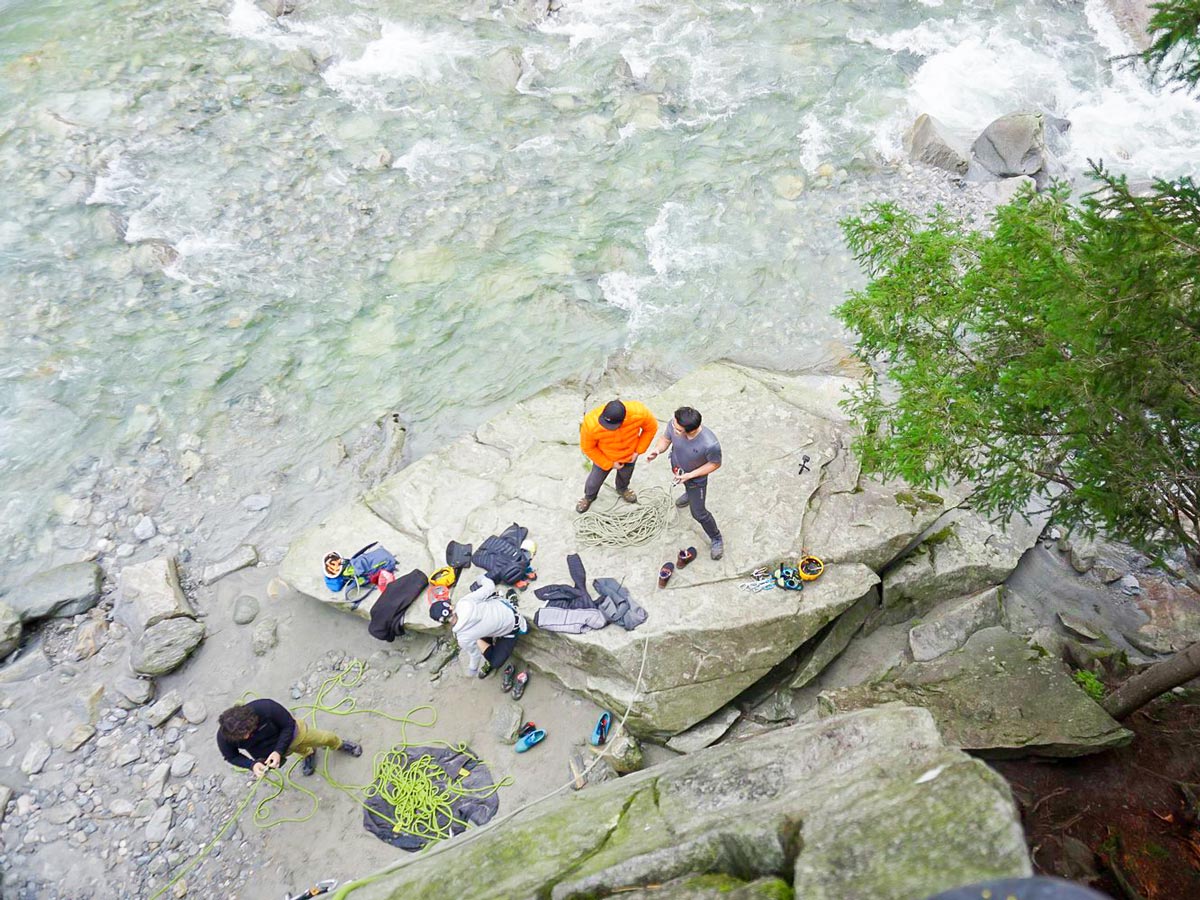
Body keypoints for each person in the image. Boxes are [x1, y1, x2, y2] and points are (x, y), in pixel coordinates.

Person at [646, 406, 724, 559]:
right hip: (680, 469)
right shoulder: (676, 424)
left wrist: (690, 476)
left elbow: (714, 464)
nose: (673, 428)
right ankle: (689, 494)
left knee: (699, 513)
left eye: (678, 429)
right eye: (674, 425)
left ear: (692, 431)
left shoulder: (710, 444)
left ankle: (716, 537)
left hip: (696, 479)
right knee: (688, 488)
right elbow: (665, 439)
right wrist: (657, 450)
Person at [216, 699, 361, 779]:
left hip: (292, 735)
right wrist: (252, 765)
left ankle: (339, 744)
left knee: (324, 738)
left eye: (248, 731)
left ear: (251, 719)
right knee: (301, 750)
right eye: (241, 737)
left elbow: (288, 725)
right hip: (268, 752)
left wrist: (278, 751)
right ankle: (308, 753)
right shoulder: (224, 737)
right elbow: (231, 756)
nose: (247, 737)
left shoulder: (266, 707)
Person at [429, 575, 527, 678]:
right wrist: (481, 579)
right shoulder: (465, 602)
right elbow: (489, 586)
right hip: (506, 609)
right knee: (482, 599)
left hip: (510, 631)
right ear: (451, 607)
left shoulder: (463, 638)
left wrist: (472, 669)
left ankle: (482, 641)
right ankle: (511, 602)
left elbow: (475, 655)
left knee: (495, 662)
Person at [576, 399, 658, 513]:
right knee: (594, 481)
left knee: (625, 475)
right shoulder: (591, 423)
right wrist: (608, 463)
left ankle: (622, 489)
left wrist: (638, 451)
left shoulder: (639, 413)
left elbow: (651, 428)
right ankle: (589, 496)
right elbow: (588, 447)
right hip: (605, 455)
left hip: (629, 454)